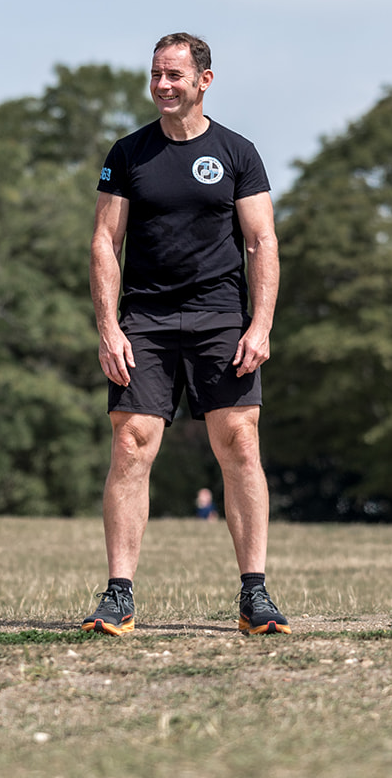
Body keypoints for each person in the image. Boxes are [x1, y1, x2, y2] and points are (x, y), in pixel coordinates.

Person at [86, 32, 289, 636]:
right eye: (156, 75)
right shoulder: (128, 153)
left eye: (175, 75)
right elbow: (104, 241)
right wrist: (107, 328)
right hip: (144, 319)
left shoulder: (237, 152)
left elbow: (261, 242)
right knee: (130, 445)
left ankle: (254, 593)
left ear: (204, 80)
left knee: (240, 445)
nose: (163, 86)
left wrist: (261, 324)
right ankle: (118, 593)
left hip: (220, 317)